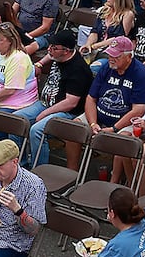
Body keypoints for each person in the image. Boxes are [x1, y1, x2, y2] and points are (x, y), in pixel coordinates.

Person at [24, 32, 93, 168]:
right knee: (17, 120)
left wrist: (45, 113)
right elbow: (50, 55)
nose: (50, 50)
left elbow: (70, 103)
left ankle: (38, 170)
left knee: (37, 130)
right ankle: (21, 164)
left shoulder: (78, 70)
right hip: (45, 103)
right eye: (50, 46)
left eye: (54, 47)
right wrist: (39, 64)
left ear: (66, 51)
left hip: (67, 112)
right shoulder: (58, 55)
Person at [85, 36, 145, 139]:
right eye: (110, 55)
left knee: (123, 140)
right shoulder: (106, 67)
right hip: (98, 116)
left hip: (124, 123)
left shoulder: (141, 74)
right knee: (77, 127)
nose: (111, 59)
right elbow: (91, 98)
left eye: (116, 56)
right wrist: (93, 124)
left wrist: (114, 128)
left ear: (129, 57)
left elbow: (138, 110)